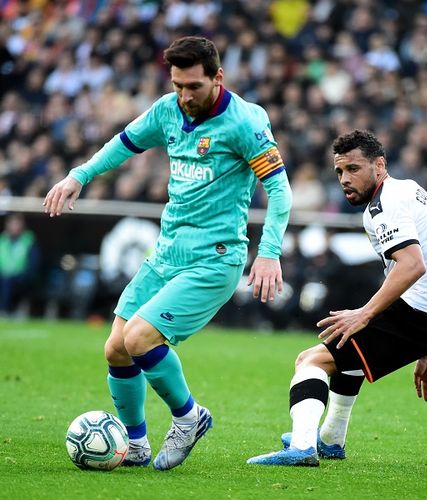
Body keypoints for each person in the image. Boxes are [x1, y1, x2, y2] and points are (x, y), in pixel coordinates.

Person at [43, 36, 292, 471]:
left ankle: (189, 418)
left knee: (140, 338)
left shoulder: (246, 122)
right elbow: (124, 143)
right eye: (177, 85)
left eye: (193, 86)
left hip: (215, 258)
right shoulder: (168, 109)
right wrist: (78, 176)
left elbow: (279, 190)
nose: (184, 96)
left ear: (218, 77)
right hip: (166, 254)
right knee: (117, 348)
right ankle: (136, 443)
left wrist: (268, 252)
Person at [246, 129, 427, 466]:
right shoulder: (411, 190)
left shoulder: (383, 206)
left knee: (310, 360)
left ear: (379, 165)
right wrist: (424, 346)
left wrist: (365, 314)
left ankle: (301, 447)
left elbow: (412, 265)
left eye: (354, 169)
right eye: (339, 171)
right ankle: (330, 439)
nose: (344, 179)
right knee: (345, 342)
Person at [0, 213, 39, 315]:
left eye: (17, 224)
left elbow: (33, 262)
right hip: (3, 276)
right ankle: (4, 310)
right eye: (12, 224)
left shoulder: (28, 239)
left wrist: (28, 276)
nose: (14, 226)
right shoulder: (2, 240)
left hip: (21, 277)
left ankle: (11, 309)